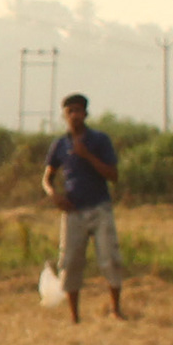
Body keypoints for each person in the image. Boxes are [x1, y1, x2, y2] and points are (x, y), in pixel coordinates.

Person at [40, 93, 125, 323]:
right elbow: (47, 177)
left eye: (79, 111)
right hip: (73, 211)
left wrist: (87, 155)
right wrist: (54, 195)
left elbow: (113, 175)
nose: (75, 116)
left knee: (109, 258)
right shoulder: (60, 144)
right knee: (70, 262)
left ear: (86, 114)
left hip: (99, 208)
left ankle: (116, 310)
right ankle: (74, 316)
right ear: (64, 116)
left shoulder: (99, 141)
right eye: (70, 112)